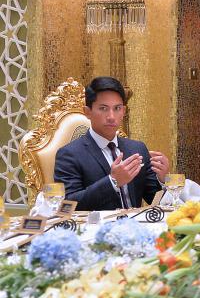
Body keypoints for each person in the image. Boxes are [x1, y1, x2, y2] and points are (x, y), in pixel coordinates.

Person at [54, 77, 170, 210]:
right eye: (103, 108)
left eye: (117, 108)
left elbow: (154, 200)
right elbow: (68, 206)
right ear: (87, 112)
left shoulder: (137, 149)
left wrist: (163, 180)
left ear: (124, 111)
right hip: (96, 224)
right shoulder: (69, 154)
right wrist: (112, 182)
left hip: (136, 223)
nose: (111, 117)